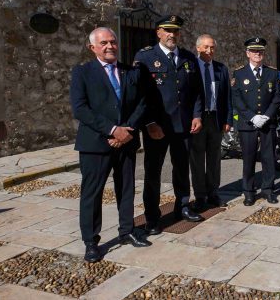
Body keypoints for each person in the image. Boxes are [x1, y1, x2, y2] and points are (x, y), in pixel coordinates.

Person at [70, 27, 152, 263]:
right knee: (92, 194)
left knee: (126, 188)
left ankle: (126, 231)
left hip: (126, 141)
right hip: (95, 144)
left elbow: (142, 102)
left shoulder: (129, 72)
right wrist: (112, 129)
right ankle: (91, 242)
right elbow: (80, 109)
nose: (110, 46)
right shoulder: (83, 72)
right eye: (104, 43)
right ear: (92, 47)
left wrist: (127, 129)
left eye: (113, 42)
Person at [133, 15, 204, 235]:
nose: (172, 35)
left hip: (183, 125)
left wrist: (197, 115)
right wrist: (150, 122)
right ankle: (152, 217)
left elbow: (197, 91)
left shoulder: (188, 58)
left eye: (176, 31)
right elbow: (138, 94)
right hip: (157, 127)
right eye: (167, 30)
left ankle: (182, 206)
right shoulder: (145, 57)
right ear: (158, 33)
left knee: (182, 169)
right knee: (153, 173)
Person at [232, 37, 280, 206]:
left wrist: (267, 116)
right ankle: (248, 192)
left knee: (268, 158)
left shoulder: (272, 73)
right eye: (254, 51)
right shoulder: (239, 74)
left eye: (260, 51)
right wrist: (252, 117)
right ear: (248, 53)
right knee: (249, 158)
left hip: (268, 123)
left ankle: (268, 190)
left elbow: (277, 97)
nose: (257, 54)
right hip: (248, 123)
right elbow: (237, 99)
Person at [189, 34, 233, 210]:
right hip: (197, 119)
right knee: (197, 158)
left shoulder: (221, 69)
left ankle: (213, 192)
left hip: (215, 118)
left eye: (212, 47)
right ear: (198, 48)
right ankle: (200, 196)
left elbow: (227, 97)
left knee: (214, 158)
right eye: (206, 47)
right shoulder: (191, 67)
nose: (210, 50)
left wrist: (228, 119)